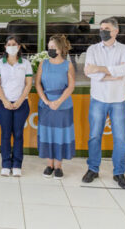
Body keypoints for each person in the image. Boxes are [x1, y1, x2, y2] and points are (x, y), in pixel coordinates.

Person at [82, 17, 125, 189]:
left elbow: (123, 71)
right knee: (94, 136)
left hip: (118, 100)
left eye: (106, 28)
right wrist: (110, 74)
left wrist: (100, 70)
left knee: (120, 139)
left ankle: (119, 172)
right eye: (101, 28)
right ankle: (93, 169)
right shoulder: (92, 49)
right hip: (98, 98)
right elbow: (89, 72)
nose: (103, 31)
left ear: (116, 31)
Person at [35, 35, 75, 179]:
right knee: (47, 133)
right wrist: (45, 100)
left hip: (63, 105)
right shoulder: (43, 64)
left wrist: (58, 101)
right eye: (49, 47)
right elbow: (37, 83)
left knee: (61, 135)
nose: (50, 49)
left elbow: (71, 86)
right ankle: (49, 164)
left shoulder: (67, 65)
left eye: (53, 47)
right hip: (45, 104)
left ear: (61, 48)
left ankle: (58, 166)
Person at [0, 35, 33, 177]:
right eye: (9, 44)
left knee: (18, 134)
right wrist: (4, 100)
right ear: (5, 47)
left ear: (19, 46)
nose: (11, 46)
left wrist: (20, 100)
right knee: (5, 134)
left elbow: (28, 83)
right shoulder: (0, 63)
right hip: (3, 103)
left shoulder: (25, 63)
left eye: (14, 44)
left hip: (21, 104)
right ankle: (5, 163)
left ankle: (17, 164)